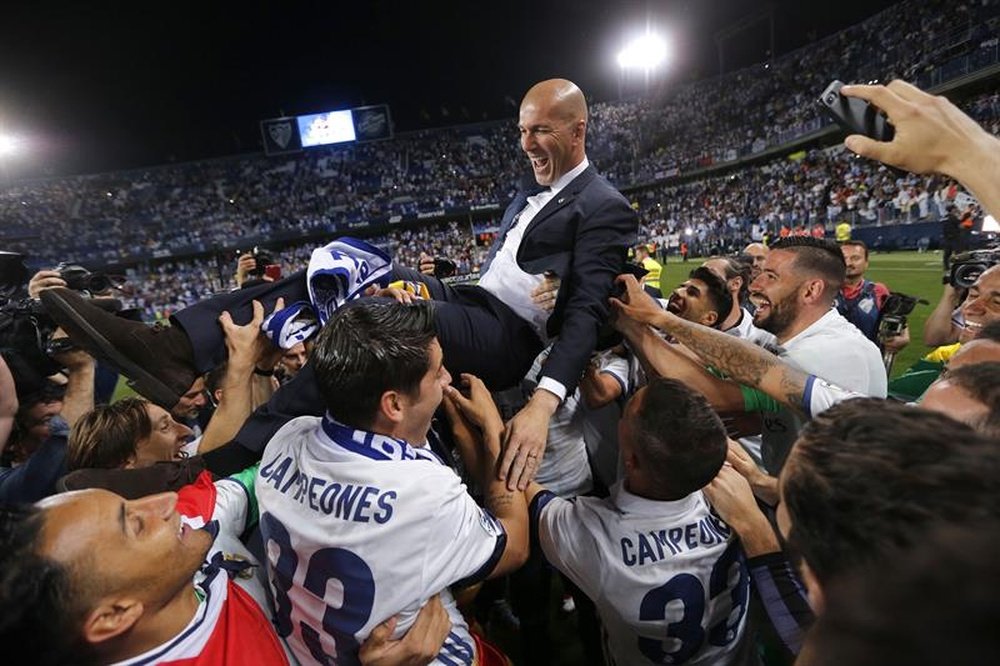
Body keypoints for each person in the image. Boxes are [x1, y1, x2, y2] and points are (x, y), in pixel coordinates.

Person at [40, 78, 638, 493]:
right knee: (344, 264)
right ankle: (178, 348)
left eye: (540, 132)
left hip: (507, 341)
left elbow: (585, 313)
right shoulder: (528, 191)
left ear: (578, 129)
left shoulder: (604, 205)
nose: (527, 144)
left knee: (374, 321)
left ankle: (223, 461)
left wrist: (542, 403)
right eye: (522, 130)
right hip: (473, 304)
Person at [255, 300, 528, 665]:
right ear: (393, 405)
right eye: (437, 373)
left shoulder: (287, 440)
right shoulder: (422, 493)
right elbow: (515, 546)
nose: (447, 379)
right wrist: (495, 431)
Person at [525, 378, 751, 665]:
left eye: (628, 409)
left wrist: (490, 422)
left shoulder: (598, 538)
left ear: (630, 460)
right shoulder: (738, 501)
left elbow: (525, 491)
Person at [614, 236, 886, 474]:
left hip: (826, 513)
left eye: (771, 276)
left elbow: (711, 393)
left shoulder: (823, 354)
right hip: (788, 485)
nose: (754, 285)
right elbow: (728, 355)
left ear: (811, 290)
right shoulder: (785, 335)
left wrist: (640, 326)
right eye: (760, 272)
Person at [833, 240, 910, 352]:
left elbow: (896, 317)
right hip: (830, 360)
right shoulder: (824, 290)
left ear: (866, 263)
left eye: (855, 258)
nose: (848, 263)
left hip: (868, 360)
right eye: (844, 258)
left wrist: (904, 337)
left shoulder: (878, 290)